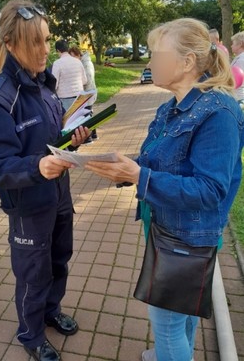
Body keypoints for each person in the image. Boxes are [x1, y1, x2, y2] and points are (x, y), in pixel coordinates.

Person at [85, 18, 244, 361]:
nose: (150, 63)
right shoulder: (170, 107)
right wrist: (122, 169)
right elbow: (152, 162)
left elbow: (210, 190)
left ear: (187, 63)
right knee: (180, 311)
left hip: (188, 236)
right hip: (164, 225)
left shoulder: (219, 113)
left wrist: (141, 177)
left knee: (167, 320)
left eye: (157, 55)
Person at [0, 0, 90, 361]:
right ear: (11, 45)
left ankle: (51, 310)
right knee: (33, 272)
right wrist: (36, 167)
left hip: (59, 194)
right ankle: (30, 333)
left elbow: (50, 134)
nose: (45, 50)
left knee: (59, 259)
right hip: (28, 204)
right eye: (36, 43)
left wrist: (73, 134)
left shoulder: (44, 83)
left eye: (47, 39)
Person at [69, 46, 98, 142]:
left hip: (88, 92)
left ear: (78, 54)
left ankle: (89, 137)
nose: (72, 59)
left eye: (73, 56)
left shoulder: (86, 63)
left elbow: (87, 79)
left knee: (86, 114)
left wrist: (78, 83)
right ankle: (93, 134)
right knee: (88, 113)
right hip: (88, 92)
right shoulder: (83, 62)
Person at [52, 40, 87, 110]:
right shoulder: (78, 62)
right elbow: (85, 81)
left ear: (58, 50)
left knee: (68, 120)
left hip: (65, 100)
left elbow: (54, 84)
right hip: (80, 97)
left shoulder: (57, 63)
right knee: (80, 120)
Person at [231, 31, 244, 102]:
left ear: (240, 45)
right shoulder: (239, 58)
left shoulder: (241, 60)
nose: (231, 46)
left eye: (233, 43)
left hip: (238, 97)